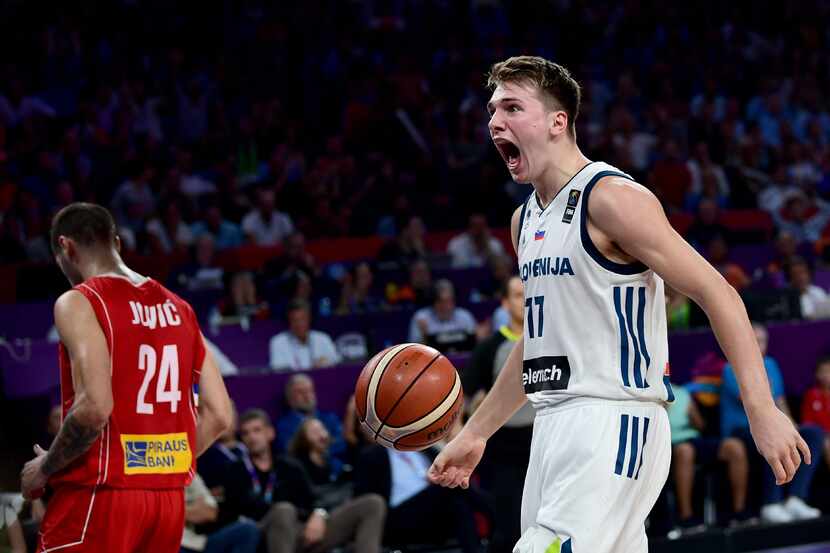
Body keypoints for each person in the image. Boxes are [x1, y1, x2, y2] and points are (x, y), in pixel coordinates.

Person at [427, 56, 811, 553]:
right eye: (492, 109)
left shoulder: (610, 198)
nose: (494, 121)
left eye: (512, 107)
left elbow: (718, 293)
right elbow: (540, 341)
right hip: (551, 428)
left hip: (613, 420)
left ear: (556, 122)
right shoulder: (524, 223)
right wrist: (477, 433)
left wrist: (761, 407)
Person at [20, 202, 232, 552]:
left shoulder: (81, 301)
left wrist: (46, 467)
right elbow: (220, 414)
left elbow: (94, 408)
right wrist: (155, 469)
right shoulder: (180, 308)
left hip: (100, 497)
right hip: (166, 505)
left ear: (65, 247)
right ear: (116, 242)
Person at [224, 410, 385, 553]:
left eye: (257, 430)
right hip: (261, 533)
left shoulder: (288, 466)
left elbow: (312, 500)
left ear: (270, 433)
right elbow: (233, 514)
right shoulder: (236, 470)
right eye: (246, 433)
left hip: (300, 532)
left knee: (373, 503)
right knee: (283, 510)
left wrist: (319, 514)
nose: (252, 437)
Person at [720, 323, 823, 522]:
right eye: (754, 341)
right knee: (770, 436)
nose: (759, 345)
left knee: (813, 434)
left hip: (770, 423)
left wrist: (793, 427)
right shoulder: (730, 367)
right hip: (740, 430)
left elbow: (781, 400)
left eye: (762, 341)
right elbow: (753, 400)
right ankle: (771, 504)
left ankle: (796, 499)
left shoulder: (771, 364)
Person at [462, 274, 532, 553]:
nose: (526, 298)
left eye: (528, 292)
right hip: (503, 452)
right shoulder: (490, 348)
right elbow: (465, 397)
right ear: (504, 304)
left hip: (546, 444)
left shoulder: (557, 339)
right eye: (517, 295)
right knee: (511, 528)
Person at [667, 384, 750, 532]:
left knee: (735, 447)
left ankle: (739, 512)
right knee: (686, 451)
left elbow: (700, 426)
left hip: (693, 438)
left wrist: (693, 414)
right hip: (670, 442)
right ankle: (686, 517)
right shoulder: (653, 392)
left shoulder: (682, 392)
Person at [180, 473, 261, 553]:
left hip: (197, 542)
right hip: (174, 543)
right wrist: (190, 509)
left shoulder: (187, 472)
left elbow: (211, 513)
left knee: (248, 529)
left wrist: (177, 511)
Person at [275, 374, 347, 461]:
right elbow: (290, 452)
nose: (307, 396)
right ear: (289, 398)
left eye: (309, 390)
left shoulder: (330, 419)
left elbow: (341, 444)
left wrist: (317, 451)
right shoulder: (284, 426)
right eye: (300, 392)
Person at [269, 300, 340, 372]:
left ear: (309, 319)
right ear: (289, 321)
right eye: (295, 320)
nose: (299, 324)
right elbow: (278, 371)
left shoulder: (323, 338)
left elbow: (337, 364)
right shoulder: (278, 342)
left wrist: (327, 363)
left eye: (303, 319)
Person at [408, 279, 477, 353]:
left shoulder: (465, 316)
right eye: (441, 301)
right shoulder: (421, 318)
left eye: (449, 301)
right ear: (433, 302)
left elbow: (474, 347)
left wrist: (478, 337)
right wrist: (424, 337)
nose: (446, 306)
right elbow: (413, 353)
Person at [801, 357, 830, 470]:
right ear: (817, 374)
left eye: (829, 371)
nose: (826, 376)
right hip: (820, 437)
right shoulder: (811, 395)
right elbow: (807, 422)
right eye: (823, 371)